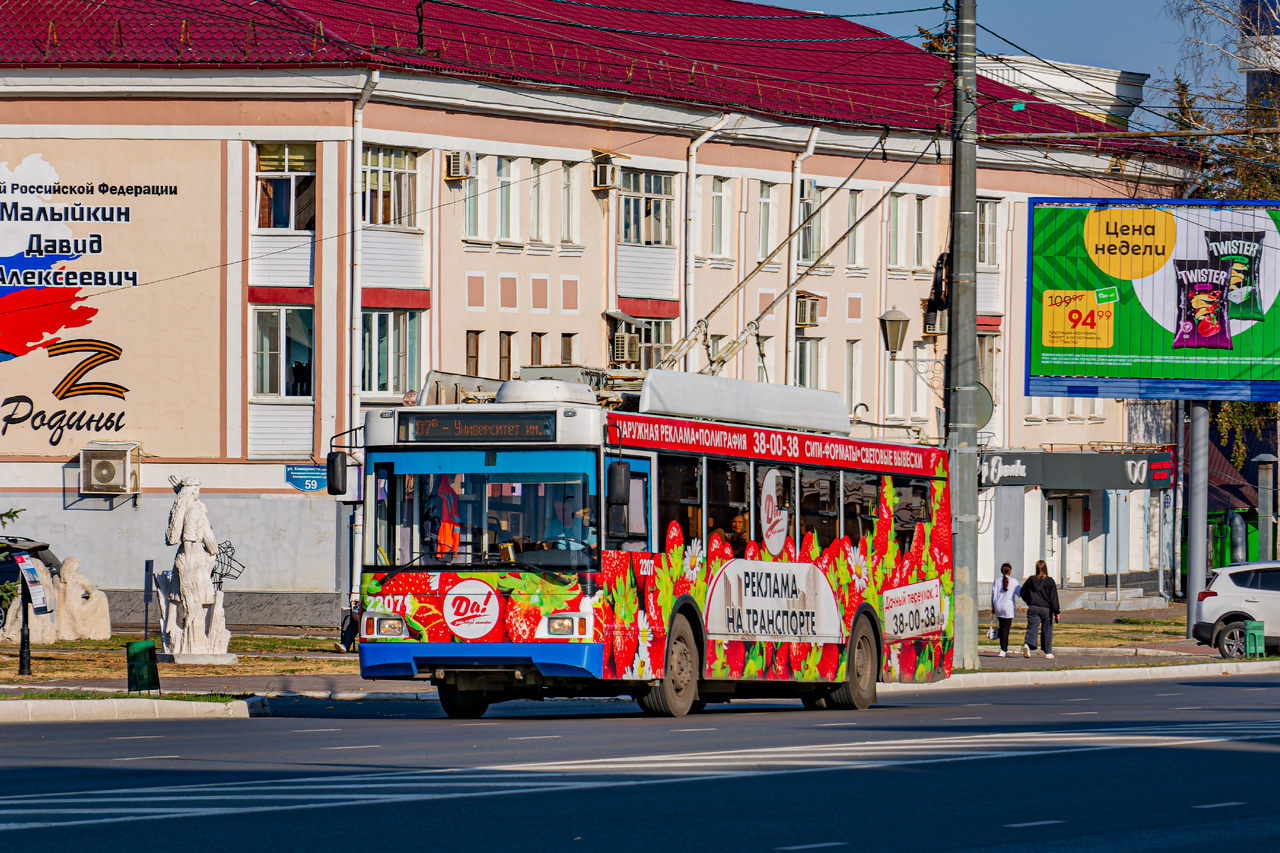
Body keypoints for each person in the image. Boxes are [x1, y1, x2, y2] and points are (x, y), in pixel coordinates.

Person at [1020, 559, 1060, 659]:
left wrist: (1029, 601)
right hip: (1046, 608)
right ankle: (1048, 652)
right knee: (1047, 630)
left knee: (1032, 627)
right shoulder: (1049, 581)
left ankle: (1027, 644)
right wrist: (1056, 611)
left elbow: (1022, 592)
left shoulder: (1030, 580)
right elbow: (1053, 597)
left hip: (1033, 607)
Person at [989, 562, 1020, 657]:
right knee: (1006, 629)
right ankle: (1003, 650)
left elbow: (993, 595)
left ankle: (1002, 648)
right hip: (1008, 607)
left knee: (1002, 628)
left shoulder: (997, 581)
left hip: (998, 606)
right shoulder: (1014, 581)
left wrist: (993, 608)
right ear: (1010, 571)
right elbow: (1019, 593)